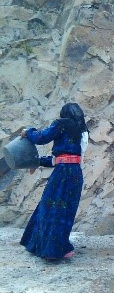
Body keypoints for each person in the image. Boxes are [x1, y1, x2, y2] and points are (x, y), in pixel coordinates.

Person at [20, 102, 89, 260]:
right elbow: (68, 158)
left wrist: (28, 132)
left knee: (50, 209)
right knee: (66, 212)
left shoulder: (62, 124)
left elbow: (41, 137)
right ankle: (62, 247)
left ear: (64, 114)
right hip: (75, 174)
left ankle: (51, 250)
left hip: (62, 174)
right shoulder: (83, 132)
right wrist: (38, 162)